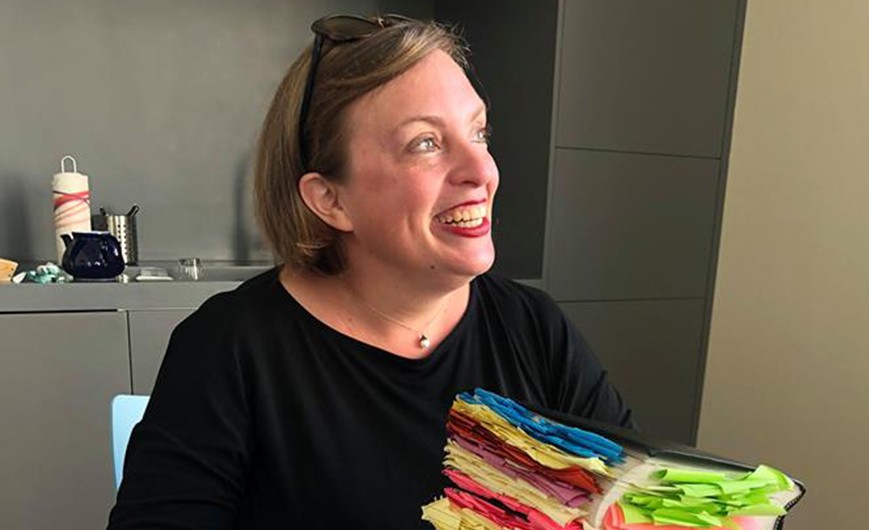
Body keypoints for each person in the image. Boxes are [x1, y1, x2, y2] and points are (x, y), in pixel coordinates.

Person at [108, 14, 633, 529]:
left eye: (478, 132)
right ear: (330, 200)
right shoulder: (229, 348)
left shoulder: (534, 329)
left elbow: (629, 502)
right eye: (425, 143)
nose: (482, 172)